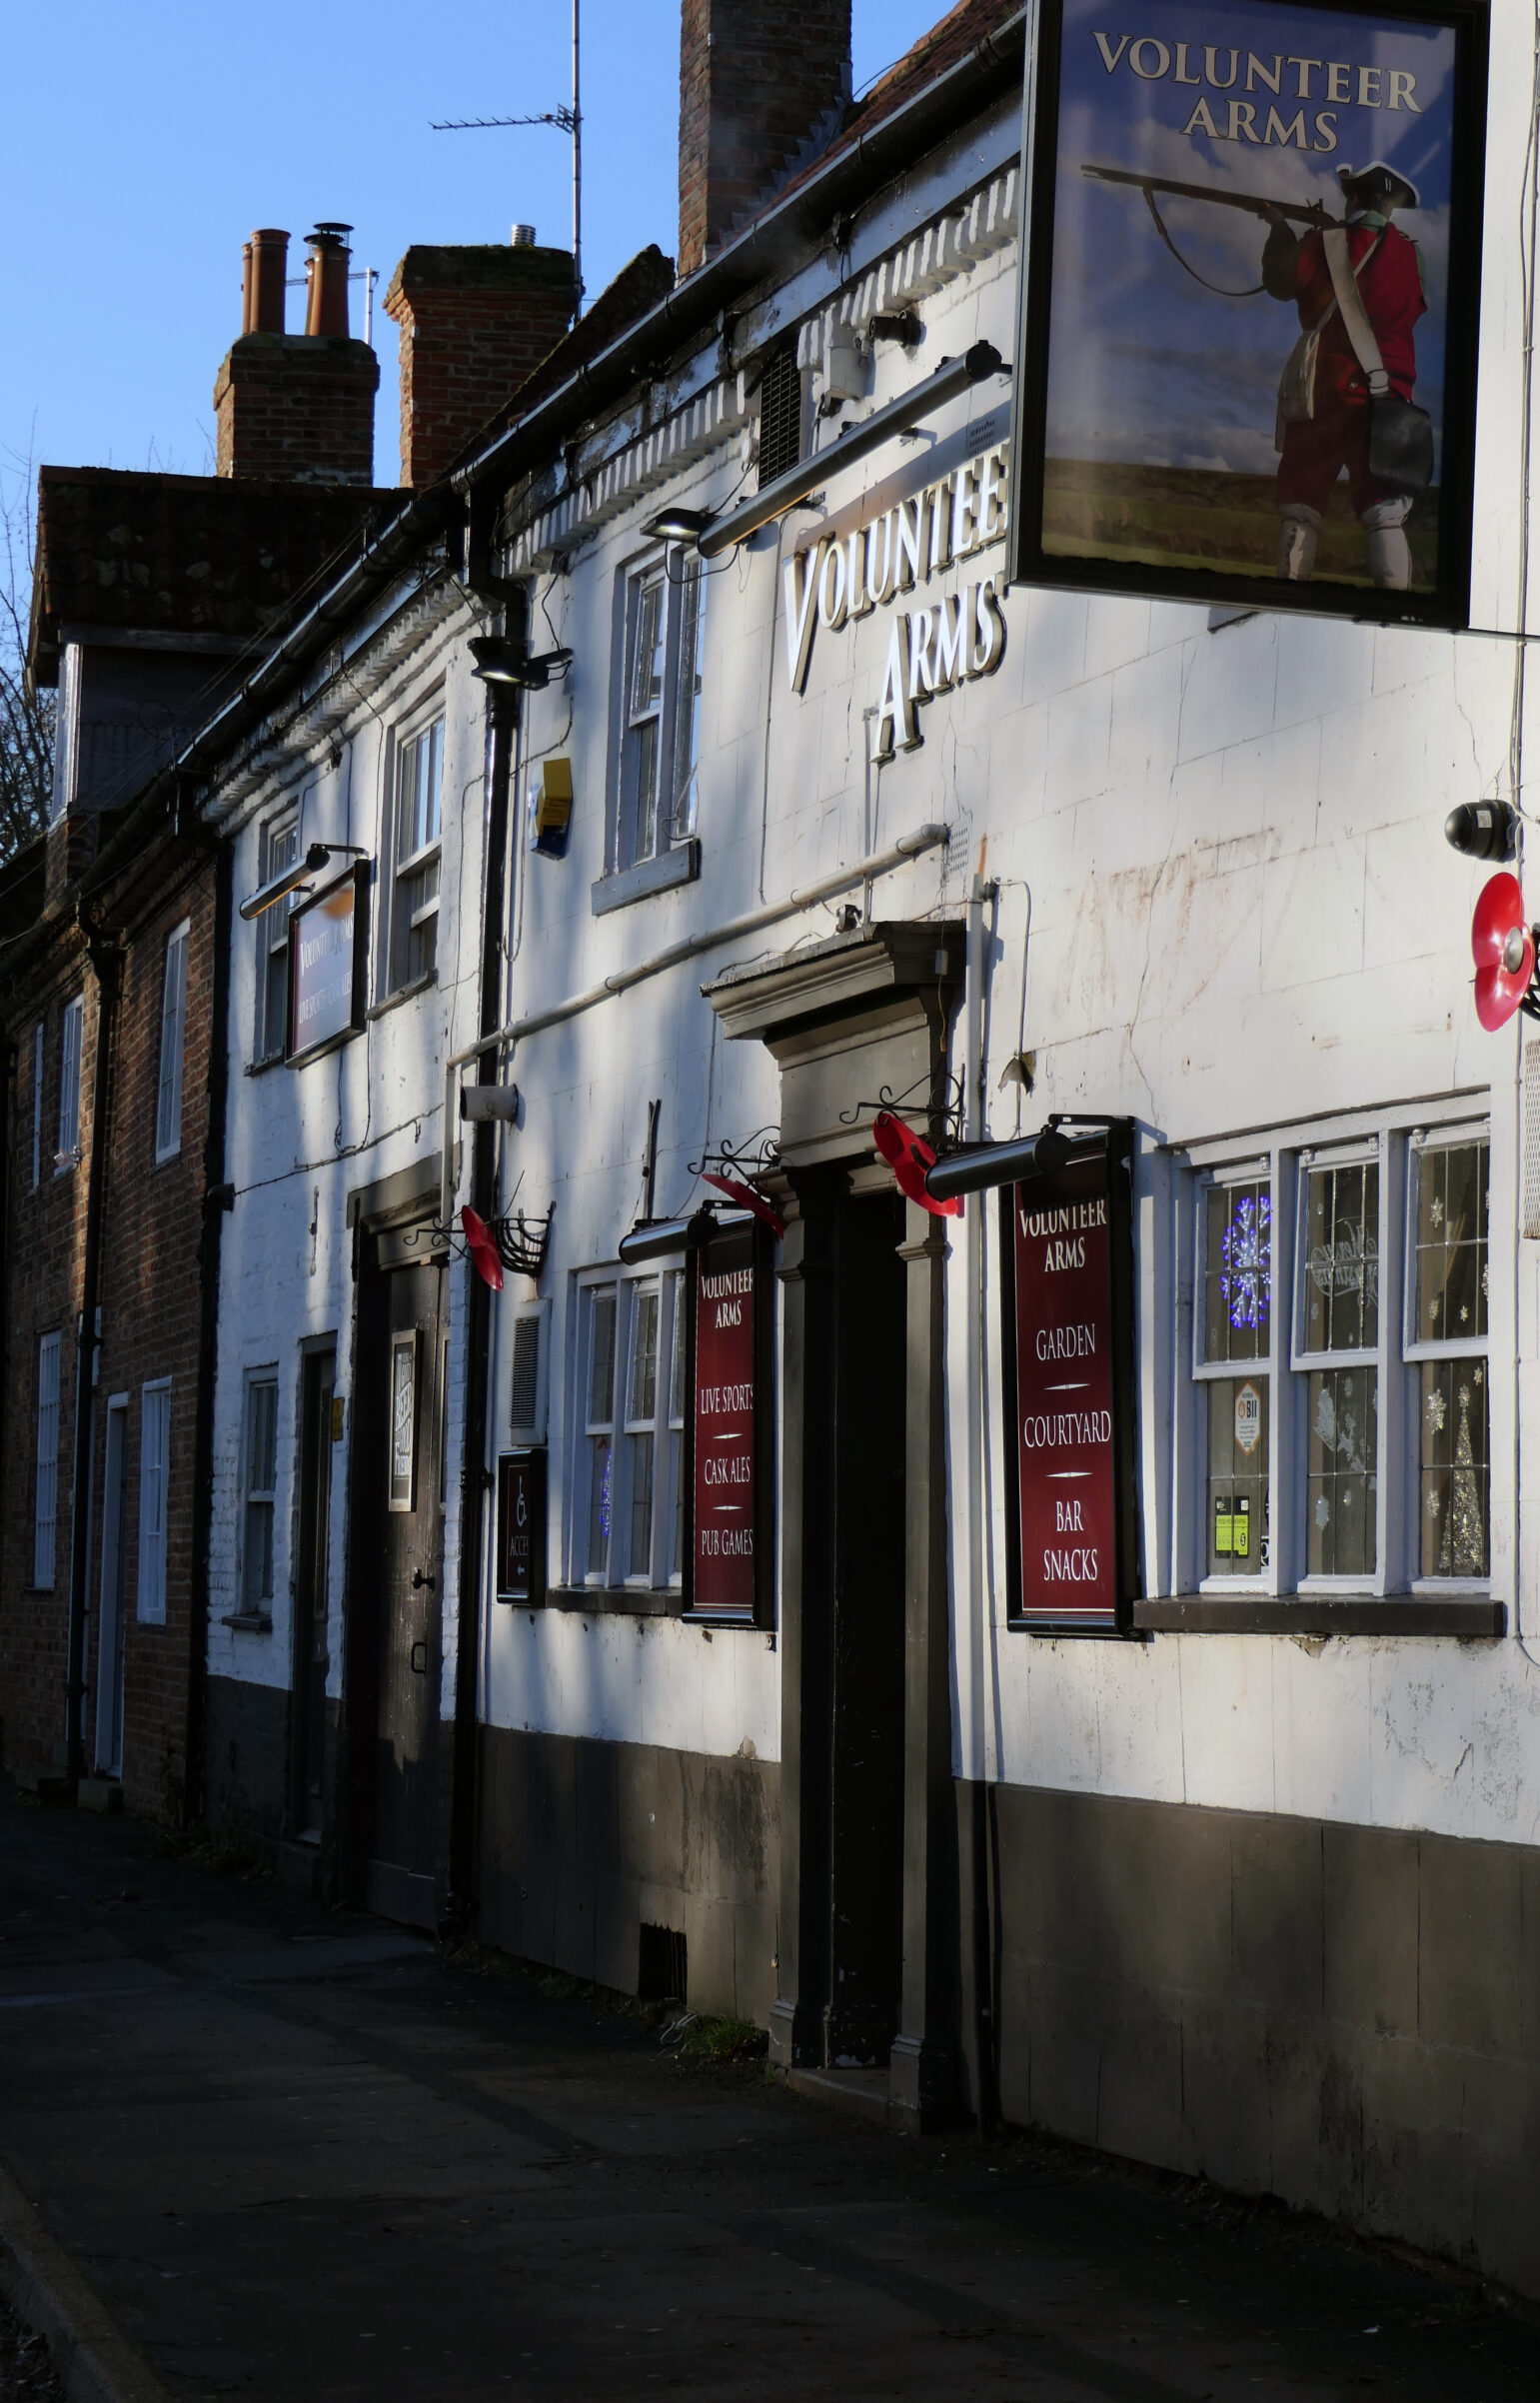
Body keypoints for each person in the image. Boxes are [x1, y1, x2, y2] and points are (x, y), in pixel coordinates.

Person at [1261, 162, 1426, 589]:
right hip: (1387, 400)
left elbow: (1279, 280)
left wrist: (1280, 229)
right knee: (1385, 514)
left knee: (1301, 506)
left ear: (1352, 199)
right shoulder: (1413, 255)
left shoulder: (1321, 244)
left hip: (1321, 398)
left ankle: (1287, 600)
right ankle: (1395, 608)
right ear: (1388, 210)